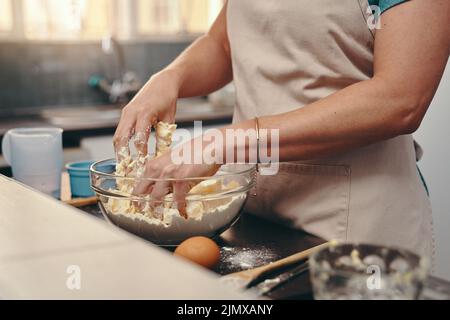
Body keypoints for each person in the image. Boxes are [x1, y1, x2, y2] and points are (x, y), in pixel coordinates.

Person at [113, 0, 450, 259]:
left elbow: (400, 99)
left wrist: (232, 141)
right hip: (253, 215)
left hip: (354, 227)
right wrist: (171, 77)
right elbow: (224, 44)